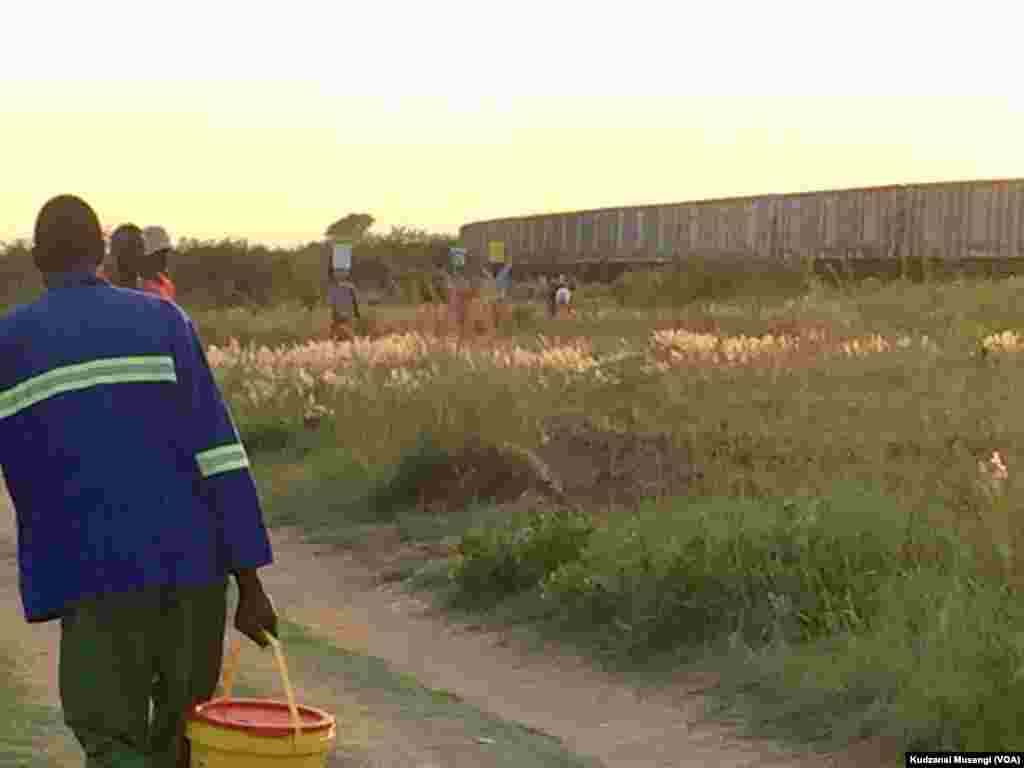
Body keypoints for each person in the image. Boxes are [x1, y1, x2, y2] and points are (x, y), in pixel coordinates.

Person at [0, 195, 278, 768]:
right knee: (183, 739)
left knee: (110, 739)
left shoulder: (13, 342)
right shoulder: (164, 321)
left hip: (93, 576)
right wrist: (249, 582)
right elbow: (220, 455)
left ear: (35, 258)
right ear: (101, 251)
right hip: (193, 570)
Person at [139, 225, 178, 301]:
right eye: (159, 253)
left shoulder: (167, 284)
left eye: (165, 252)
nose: (164, 258)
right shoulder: (137, 287)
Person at [109, 223, 146, 289]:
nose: (139, 253)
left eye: (140, 247)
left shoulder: (153, 291)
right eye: (131, 246)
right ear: (114, 250)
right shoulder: (99, 289)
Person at [328, 268, 360, 341]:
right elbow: (355, 301)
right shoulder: (350, 287)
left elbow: (332, 303)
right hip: (347, 314)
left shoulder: (334, 287)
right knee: (349, 333)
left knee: (334, 334)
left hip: (339, 314)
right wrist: (356, 313)